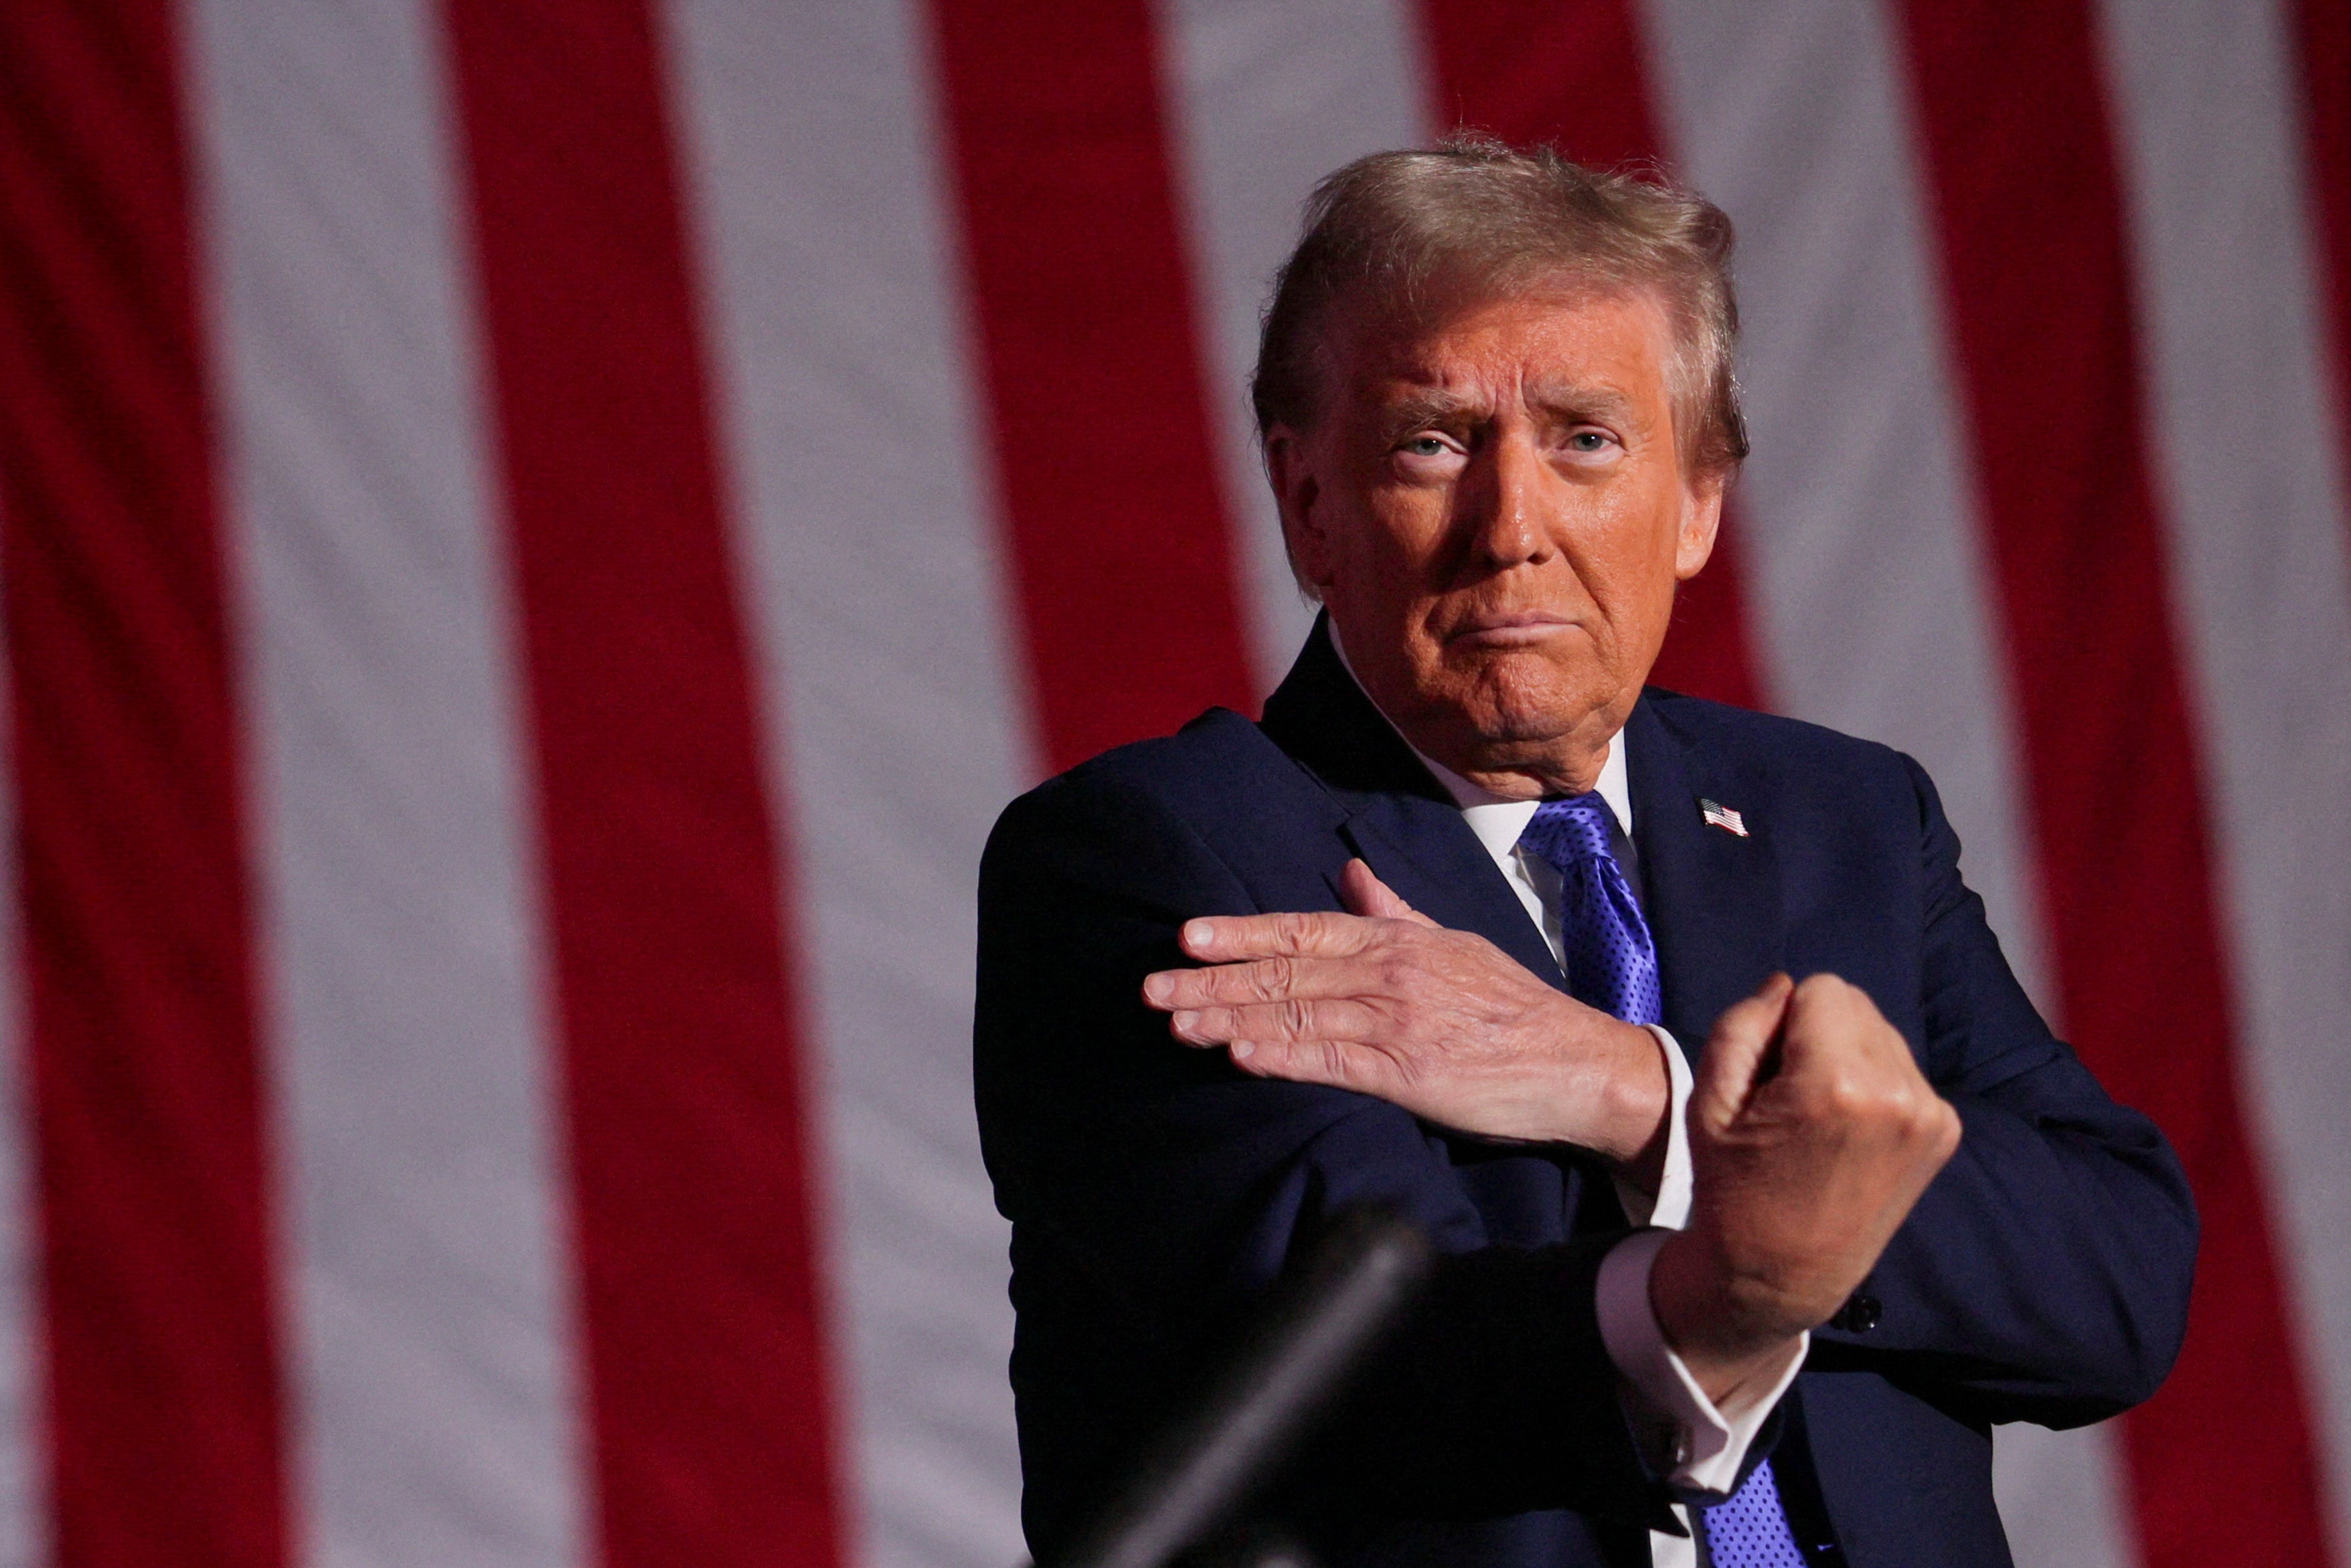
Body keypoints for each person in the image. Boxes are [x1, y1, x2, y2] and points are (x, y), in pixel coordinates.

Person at [973, 139, 2194, 1568]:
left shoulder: (1845, 818)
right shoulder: (1159, 854)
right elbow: (1358, 1376)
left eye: (1586, 439)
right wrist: (1728, 1290)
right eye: (1432, 440)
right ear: (1310, 503)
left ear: (1696, 505)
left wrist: (1632, 1088)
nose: (1513, 529)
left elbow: (2116, 1280)